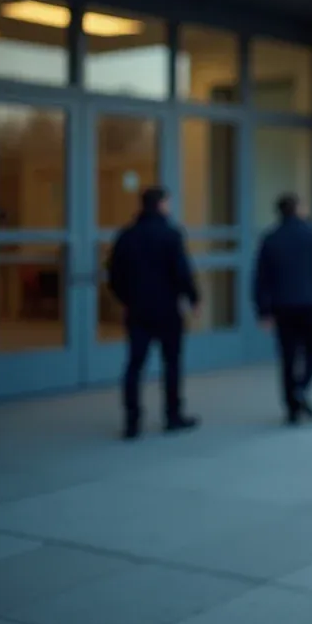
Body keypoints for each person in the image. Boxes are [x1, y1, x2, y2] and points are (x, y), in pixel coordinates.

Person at [107, 186, 201, 440]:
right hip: (167, 309)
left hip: (137, 310)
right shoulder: (171, 235)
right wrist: (193, 299)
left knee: (134, 365)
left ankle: (132, 421)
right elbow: (182, 271)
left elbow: (114, 275)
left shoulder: (126, 236)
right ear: (161, 204)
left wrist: (126, 299)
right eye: (168, 202)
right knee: (171, 363)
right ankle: (172, 416)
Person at [252, 193, 312, 425]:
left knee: (288, 356)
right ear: (298, 209)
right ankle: (301, 388)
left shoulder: (270, 238)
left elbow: (261, 278)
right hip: (310, 302)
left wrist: (263, 310)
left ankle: (292, 407)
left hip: (282, 306)